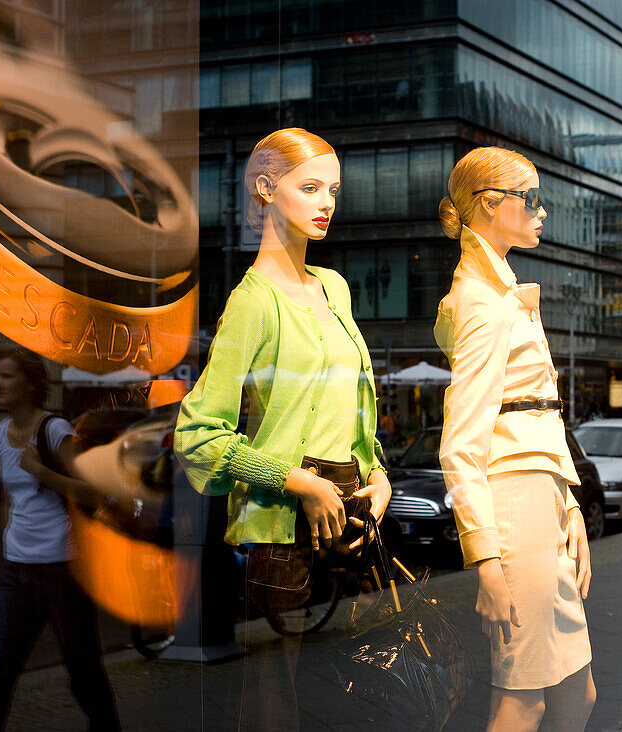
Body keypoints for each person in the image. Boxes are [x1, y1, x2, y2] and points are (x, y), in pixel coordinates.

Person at [174, 128, 392, 726]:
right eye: (310, 186)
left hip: (347, 511)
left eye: (334, 191)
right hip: (285, 520)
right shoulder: (252, 300)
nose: (326, 203)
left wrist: (377, 473)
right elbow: (196, 435)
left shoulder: (335, 288)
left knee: (343, 689)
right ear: (266, 188)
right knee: (278, 695)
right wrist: (300, 482)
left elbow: (347, 406)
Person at [435, 146, 595, 731]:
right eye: (530, 198)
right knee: (523, 698)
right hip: (515, 509)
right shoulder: (482, 304)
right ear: (487, 205)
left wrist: (568, 501)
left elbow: (534, 412)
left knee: (579, 694)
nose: (541, 210)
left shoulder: (500, 295)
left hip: (540, 495)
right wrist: (486, 561)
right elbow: (460, 444)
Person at [0, 349, 119, 731]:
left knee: (82, 671)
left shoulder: (55, 431)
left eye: (7, 376)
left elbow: (91, 493)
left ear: (31, 384)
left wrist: (39, 471)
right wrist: (10, 539)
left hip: (62, 571)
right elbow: (9, 498)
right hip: (17, 571)